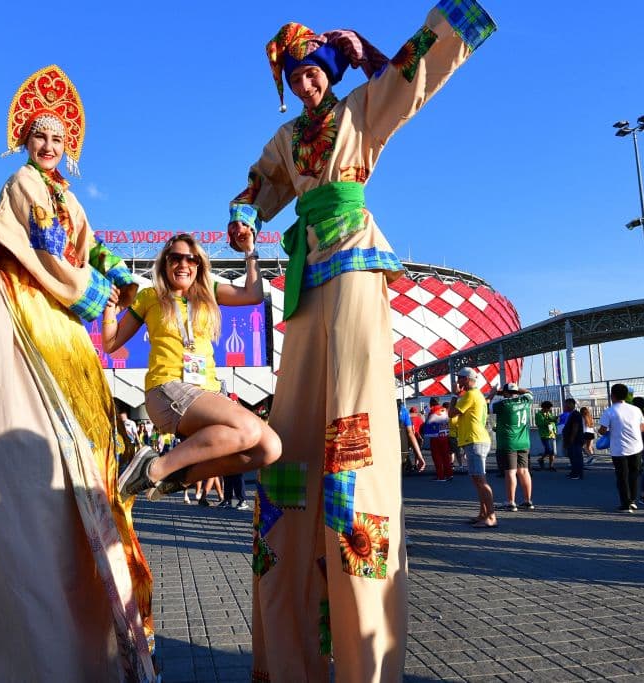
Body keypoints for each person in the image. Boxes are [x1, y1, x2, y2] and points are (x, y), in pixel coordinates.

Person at [221, 4, 496, 677]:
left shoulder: (359, 113)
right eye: (296, 73)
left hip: (351, 258)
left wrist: (385, 46)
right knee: (292, 421)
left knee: (351, 408)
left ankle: (350, 502)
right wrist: (241, 213)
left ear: (328, 70)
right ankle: (293, 600)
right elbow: (259, 183)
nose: (307, 80)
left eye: (313, 70)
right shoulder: (288, 137)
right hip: (307, 272)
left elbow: (409, 79)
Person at [0, 66, 156, 681]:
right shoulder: (23, 181)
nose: (48, 147)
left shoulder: (68, 194)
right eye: (39, 137)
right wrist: (101, 294)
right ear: (25, 140)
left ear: (68, 144)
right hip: (23, 294)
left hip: (53, 307)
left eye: (56, 138)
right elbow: (49, 255)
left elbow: (87, 245)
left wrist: (124, 276)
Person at [102, 233, 281, 501]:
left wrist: (250, 251)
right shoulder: (150, 296)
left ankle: (180, 477)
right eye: (175, 258)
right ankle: (153, 466)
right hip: (167, 388)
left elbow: (252, 295)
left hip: (206, 390)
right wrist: (110, 308)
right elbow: (110, 343)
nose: (183, 264)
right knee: (250, 429)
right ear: (165, 264)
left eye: (191, 258)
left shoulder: (209, 292)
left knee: (269, 448)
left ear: (198, 265)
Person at [451, 368, 495, 529]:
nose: (458, 382)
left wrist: (455, 395)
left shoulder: (469, 395)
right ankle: (483, 513)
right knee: (477, 480)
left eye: (460, 378)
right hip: (475, 439)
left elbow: (451, 413)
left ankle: (491, 516)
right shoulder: (477, 395)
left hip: (475, 440)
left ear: (468, 379)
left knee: (481, 480)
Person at [598, 383, 644, 512]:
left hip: (619, 449)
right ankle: (633, 501)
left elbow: (602, 430)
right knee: (634, 475)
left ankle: (626, 504)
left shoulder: (610, 411)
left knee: (622, 476)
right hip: (636, 446)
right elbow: (643, 428)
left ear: (612, 395)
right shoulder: (636, 409)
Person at [491, 383, 534, 511]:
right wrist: (516, 388)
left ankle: (511, 502)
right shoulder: (526, 400)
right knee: (524, 471)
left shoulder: (503, 404)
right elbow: (528, 391)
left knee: (510, 472)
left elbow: (487, 407)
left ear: (505, 393)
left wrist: (494, 392)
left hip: (508, 442)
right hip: (524, 442)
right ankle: (527, 501)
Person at [423, 397, 451, 482]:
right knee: (446, 456)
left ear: (431, 403)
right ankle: (449, 474)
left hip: (436, 436)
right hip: (445, 435)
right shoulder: (444, 410)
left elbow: (428, 423)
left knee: (437, 456)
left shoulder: (432, 410)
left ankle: (440, 476)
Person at [561, 398, 584, 480]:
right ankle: (573, 472)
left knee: (576, 457)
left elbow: (575, 427)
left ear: (571, 404)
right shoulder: (571, 414)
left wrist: (571, 439)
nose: (564, 406)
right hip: (572, 440)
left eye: (566, 404)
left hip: (575, 440)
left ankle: (577, 473)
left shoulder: (575, 414)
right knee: (572, 456)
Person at [535, 401, 557, 471]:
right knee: (548, 450)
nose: (550, 409)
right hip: (544, 435)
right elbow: (540, 423)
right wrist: (550, 420)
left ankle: (551, 466)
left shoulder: (549, 413)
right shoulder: (539, 414)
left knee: (552, 451)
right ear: (544, 408)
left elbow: (553, 422)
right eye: (548, 408)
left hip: (552, 434)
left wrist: (555, 429)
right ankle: (541, 459)